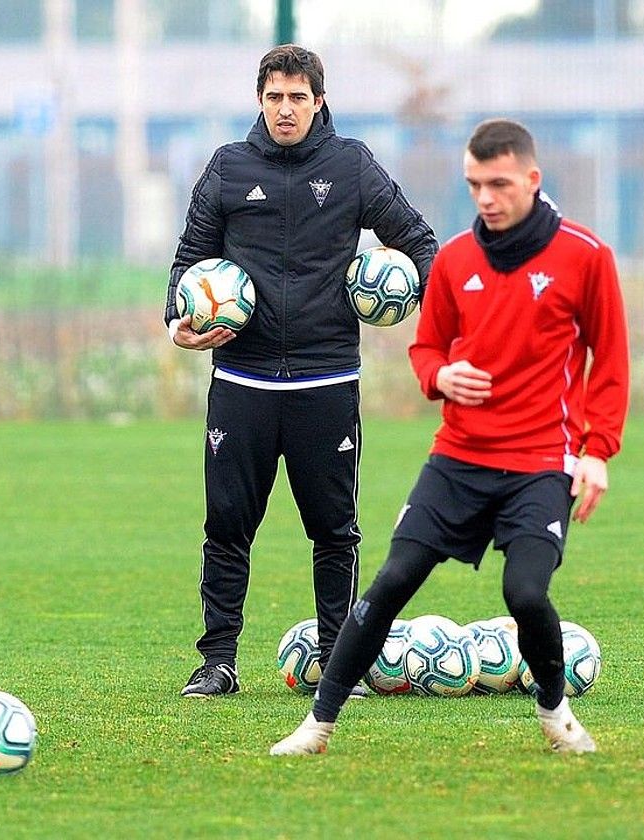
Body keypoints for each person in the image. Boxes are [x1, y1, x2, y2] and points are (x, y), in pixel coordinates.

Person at [270, 118, 629, 755]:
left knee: (525, 592)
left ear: (531, 179)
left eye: (498, 184)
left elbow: (612, 360)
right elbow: (427, 347)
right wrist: (442, 375)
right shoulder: (458, 258)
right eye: (474, 185)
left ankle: (554, 712)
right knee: (389, 583)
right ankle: (316, 727)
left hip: (541, 460)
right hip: (458, 458)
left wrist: (596, 451)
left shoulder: (585, 256)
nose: (486, 198)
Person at [167, 45, 438, 698]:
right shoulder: (229, 169)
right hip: (243, 380)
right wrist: (180, 326)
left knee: (334, 529)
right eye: (273, 97)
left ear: (319, 100)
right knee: (226, 525)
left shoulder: (351, 166)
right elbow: (187, 263)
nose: (285, 108)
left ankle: (338, 662)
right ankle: (219, 662)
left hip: (325, 379)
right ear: (259, 101)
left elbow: (420, 242)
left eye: (297, 96)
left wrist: (412, 299)